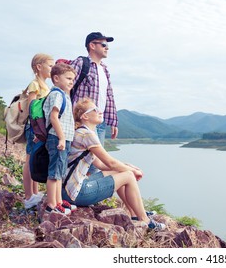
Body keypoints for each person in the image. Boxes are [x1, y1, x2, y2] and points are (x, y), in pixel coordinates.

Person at [61, 98, 165, 230]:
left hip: (69, 190)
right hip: (76, 193)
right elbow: (110, 162)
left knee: (122, 172)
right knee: (128, 176)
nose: (100, 111)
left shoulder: (84, 132)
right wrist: (132, 171)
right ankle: (145, 220)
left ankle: (134, 213)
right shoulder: (86, 134)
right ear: (85, 116)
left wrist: (127, 165)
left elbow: (101, 164)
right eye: (95, 110)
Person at [69, 32, 118, 146]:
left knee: (94, 161)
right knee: (79, 159)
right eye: (104, 44)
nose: (107, 48)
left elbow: (109, 96)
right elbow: (66, 86)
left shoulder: (105, 69)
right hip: (82, 121)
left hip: (99, 122)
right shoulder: (81, 63)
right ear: (92, 45)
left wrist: (113, 122)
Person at [43, 63, 77, 214]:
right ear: (56, 78)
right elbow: (54, 117)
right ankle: (52, 205)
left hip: (63, 138)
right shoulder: (57, 94)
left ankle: (58, 201)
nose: (71, 82)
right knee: (55, 173)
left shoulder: (64, 95)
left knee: (60, 172)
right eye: (68, 78)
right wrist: (62, 138)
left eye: (72, 79)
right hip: (58, 138)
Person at [23, 53, 54, 209]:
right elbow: (32, 107)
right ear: (39, 67)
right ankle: (28, 196)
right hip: (35, 127)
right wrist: (37, 130)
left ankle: (34, 193)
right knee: (29, 160)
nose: (52, 68)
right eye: (50, 65)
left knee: (34, 158)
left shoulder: (45, 85)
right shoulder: (35, 84)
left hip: (39, 128)